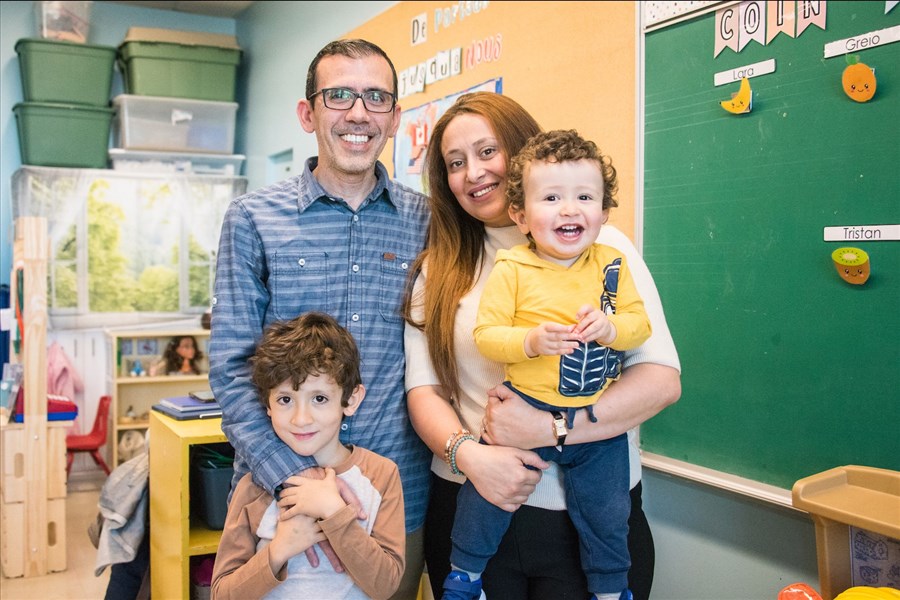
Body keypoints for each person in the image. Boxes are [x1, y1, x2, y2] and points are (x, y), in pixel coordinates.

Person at [403, 92, 681, 600]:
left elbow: (661, 382)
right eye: (455, 163)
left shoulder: (606, 251)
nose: (474, 173)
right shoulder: (436, 270)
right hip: (474, 504)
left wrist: (551, 428)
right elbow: (425, 392)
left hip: (589, 525)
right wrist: (471, 456)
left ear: (521, 150)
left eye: (488, 152)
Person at [208, 39, 430, 600]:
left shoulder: (427, 222)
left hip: (391, 500)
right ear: (308, 113)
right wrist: (294, 478)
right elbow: (234, 369)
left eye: (376, 97)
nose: (359, 112)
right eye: (339, 95)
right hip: (274, 495)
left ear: (395, 117)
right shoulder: (252, 219)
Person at [446, 129, 652, 600]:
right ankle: (465, 575)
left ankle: (610, 588)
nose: (569, 209)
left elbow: (640, 328)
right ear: (520, 215)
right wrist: (532, 341)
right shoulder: (512, 268)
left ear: (602, 212)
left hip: (597, 424)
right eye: (551, 197)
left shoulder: (612, 264)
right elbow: (488, 336)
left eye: (584, 197)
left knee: (607, 512)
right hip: (522, 404)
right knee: (484, 500)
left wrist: (611, 328)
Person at [211, 312, 405, 599]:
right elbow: (221, 594)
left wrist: (335, 514)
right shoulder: (252, 488)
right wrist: (280, 550)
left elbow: (385, 584)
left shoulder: (382, 475)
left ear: (350, 400)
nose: (301, 419)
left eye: (319, 399)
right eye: (285, 399)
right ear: (267, 404)